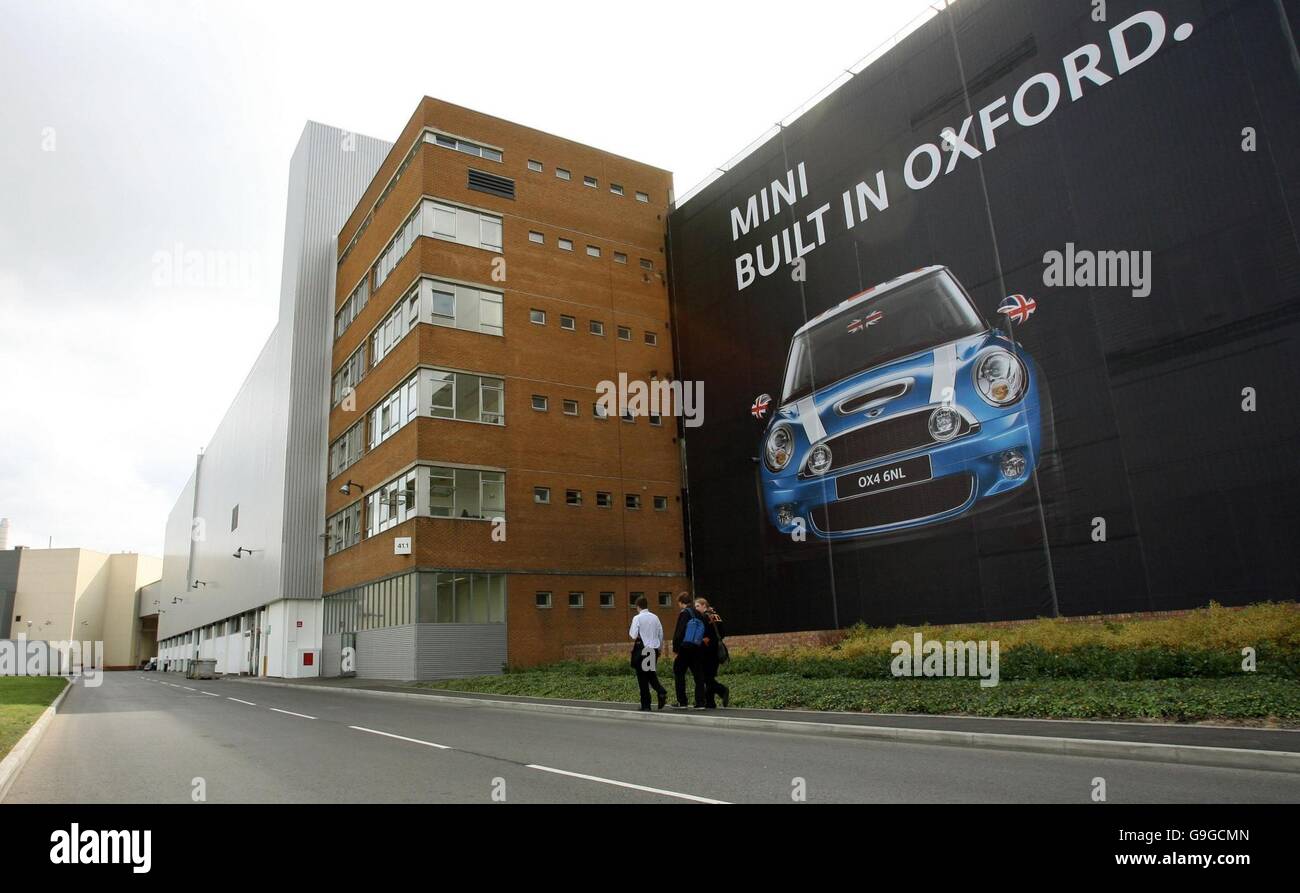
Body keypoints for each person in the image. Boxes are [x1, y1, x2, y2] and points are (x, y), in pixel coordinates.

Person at [628, 596, 668, 711]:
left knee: (642, 677)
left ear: (638, 607)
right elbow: (661, 634)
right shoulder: (655, 617)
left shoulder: (637, 618)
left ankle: (646, 705)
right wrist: (659, 648)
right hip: (653, 649)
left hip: (643, 650)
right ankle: (661, 692)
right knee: (650, 674)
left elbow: (633, 635)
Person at [670, 592, 705, 709]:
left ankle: (682, 702)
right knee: (698, 675)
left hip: (684, 648)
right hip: (697, 648)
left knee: (679, 672)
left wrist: (675, 649)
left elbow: (679, 633)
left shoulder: (684, 613)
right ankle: (700, 702)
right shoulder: (698, 613)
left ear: (681, 602)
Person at [695, 597, 730, 709]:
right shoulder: (716, 615)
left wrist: (706, 640)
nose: (696, 608)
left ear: (704, 605)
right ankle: (710, 702)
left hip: (707, 651)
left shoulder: (704, 617)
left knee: (706, 677)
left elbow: (703, 634)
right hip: (716, 650)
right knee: (709, 675)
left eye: (698, 606)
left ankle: (722, 690)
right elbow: (723, 633)